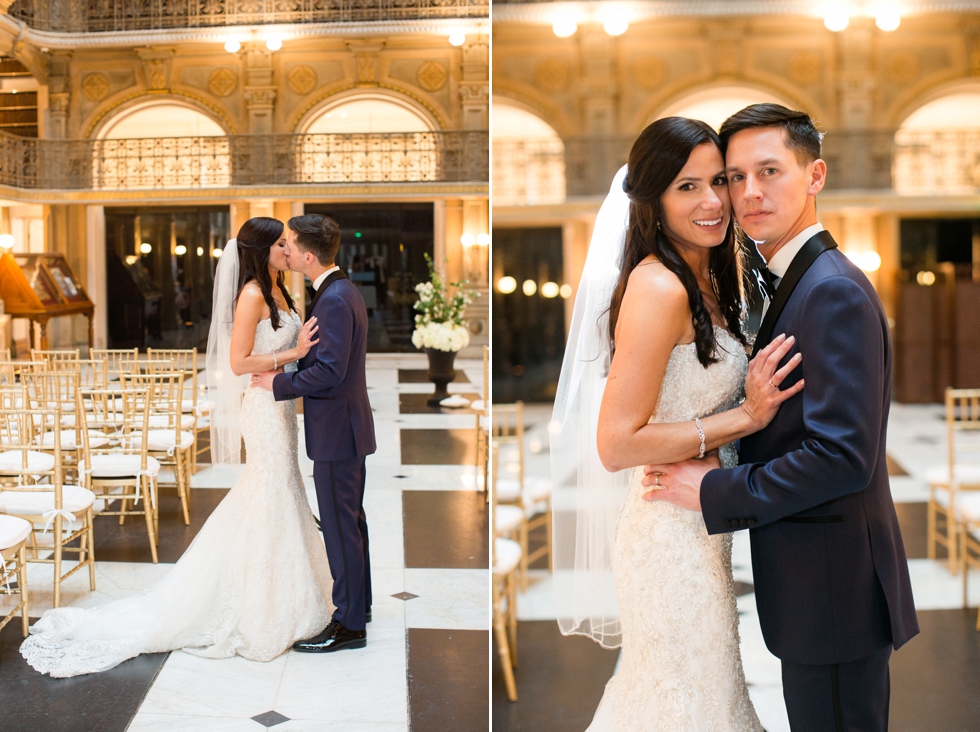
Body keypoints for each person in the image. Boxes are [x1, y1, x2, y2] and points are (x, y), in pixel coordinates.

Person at [641, 105, 919, 731]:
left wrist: (713, 488)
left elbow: (843, 458)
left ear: (815, 175)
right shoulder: (795, 280)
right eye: (735, 177)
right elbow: (794, 426)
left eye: (769, 171)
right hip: (819, 587)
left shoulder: (832, 290)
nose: (749, 193)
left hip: (835, 593)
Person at [552, 116, 802, 731]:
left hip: (701, 529)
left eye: (719, 180)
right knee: (683, 699)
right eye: (687, 186)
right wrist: (745, 415)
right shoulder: (659, 286)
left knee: (707, 694)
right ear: (654, 198)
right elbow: (615, 444)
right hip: (667, 539)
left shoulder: (709, 278)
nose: (715, 200)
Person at [20, 217, 331, 677]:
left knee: (283, 489)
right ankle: (261, 606)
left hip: (281, 406)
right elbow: (238, 361)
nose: (290, 248)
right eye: (282, 243)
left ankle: (284, 591)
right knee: (270, 490)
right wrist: (293, 354)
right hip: (263, 408)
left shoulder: (280, 289)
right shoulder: (250, 294)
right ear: (262, 250)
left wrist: (294, 364)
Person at [252, 214, 376, 653]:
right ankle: (359, 607)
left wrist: (278, 383)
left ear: (307, 256)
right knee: (350, 522)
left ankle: (347, 626)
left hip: (337, 430)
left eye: (291, 246)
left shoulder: (335, 299)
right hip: (345, 426)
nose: (286, 251)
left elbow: (329, 371)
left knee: (341, 527)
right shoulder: (340, 291)